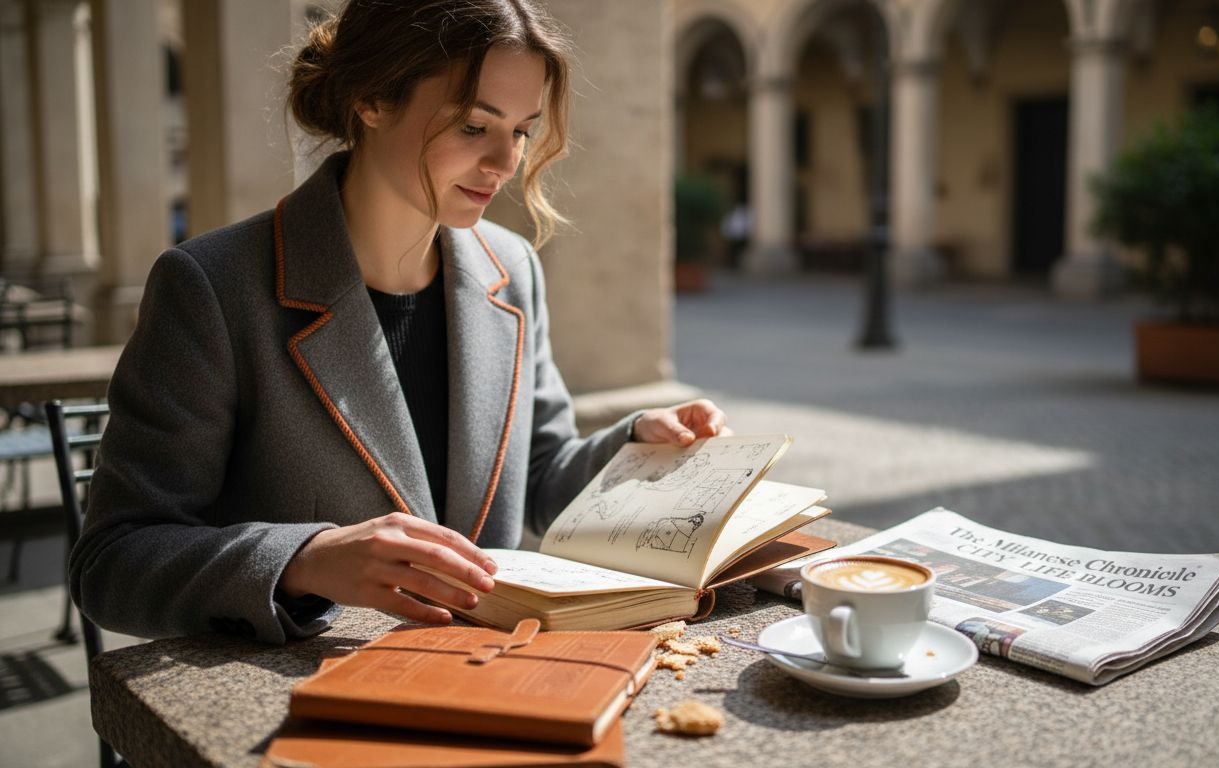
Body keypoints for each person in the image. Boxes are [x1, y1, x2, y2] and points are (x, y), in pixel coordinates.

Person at [68, 0, 728, 645]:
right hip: (302, 716)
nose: (505, 165)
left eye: (522, 131)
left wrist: (635, 449)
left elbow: (540, 476)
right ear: (373, 100)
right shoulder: (212, 286)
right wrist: (305, 559)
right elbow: (111, 563)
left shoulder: (513, 268)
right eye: (475, 126)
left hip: (490, 675)